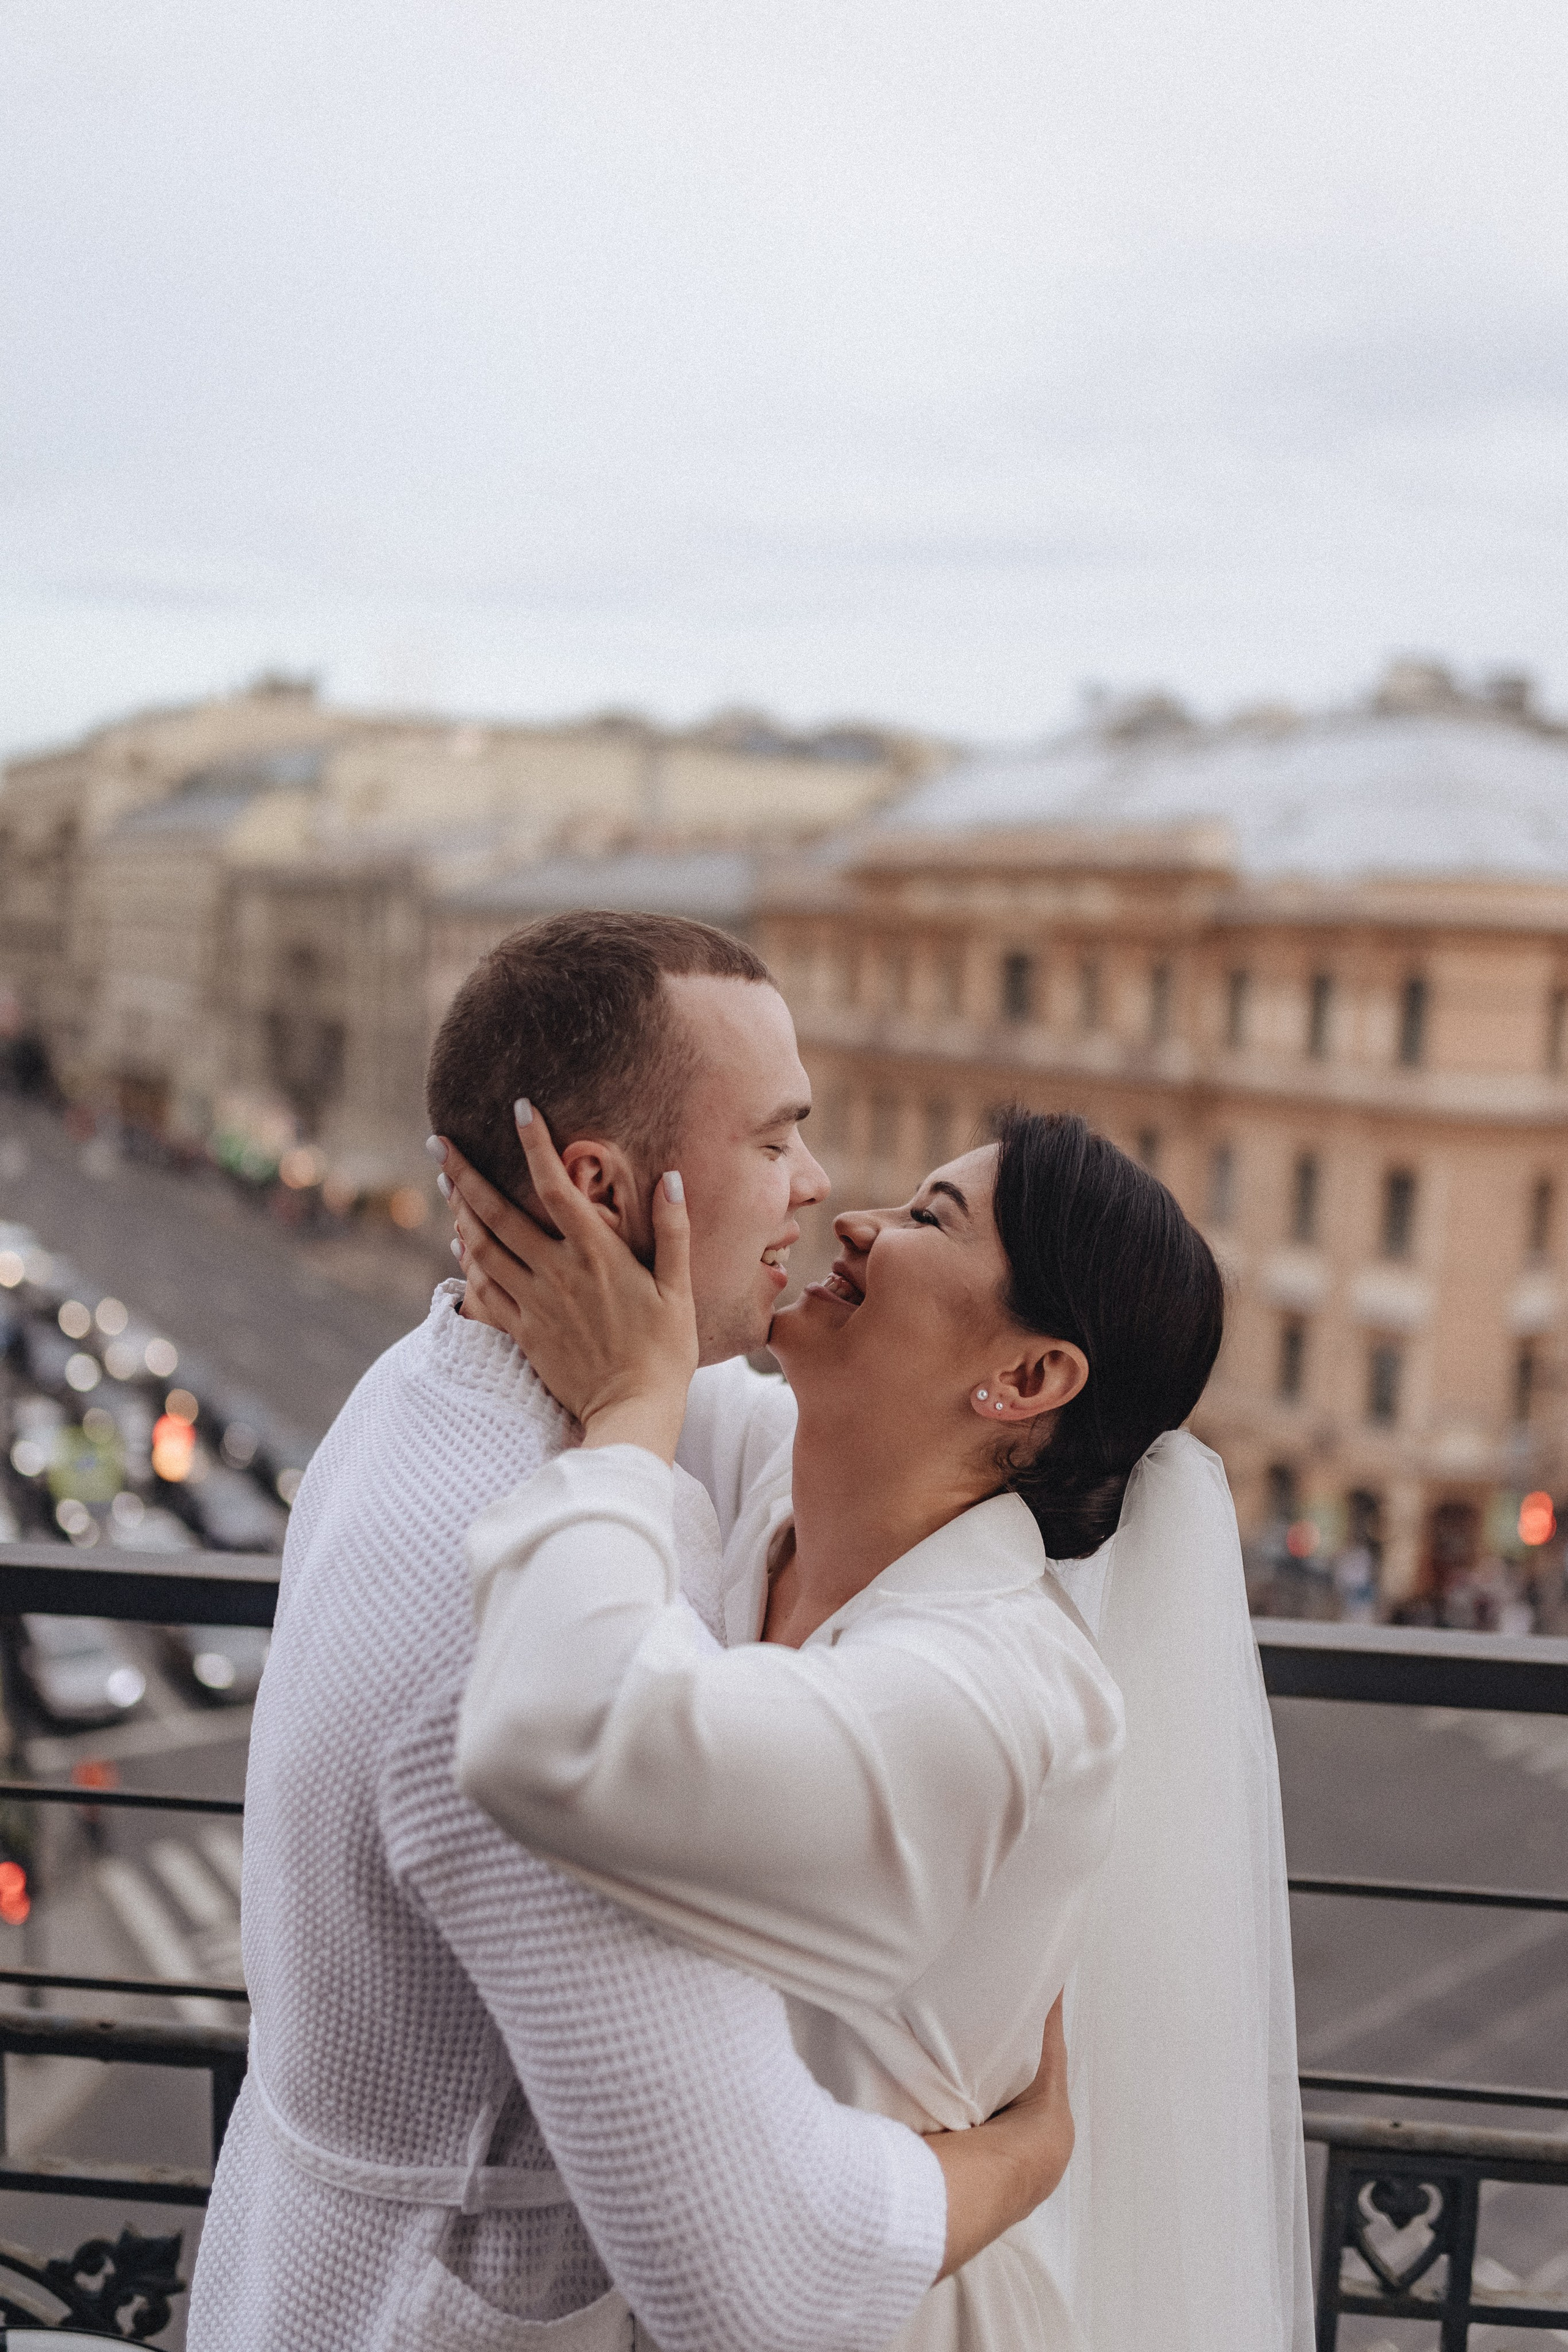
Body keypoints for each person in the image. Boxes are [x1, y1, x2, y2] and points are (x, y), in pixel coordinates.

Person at [188, 911, 1076, 2352]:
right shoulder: (542, 1622)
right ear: (601, 1185)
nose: (818, 1184)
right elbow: (763, 2277)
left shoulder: (418, 1389)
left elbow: (749, 1433)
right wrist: (1028, 2155)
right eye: (775, 1137)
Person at [447, 1103, 1314, 2352]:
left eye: (928, 1219)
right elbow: (619, 1314)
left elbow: (556, 1735)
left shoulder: (1001, 1694)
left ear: (1027, 1378)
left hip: (865, 2313)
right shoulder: (786, 1479)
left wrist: (632, 1406)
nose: (854, 1220)